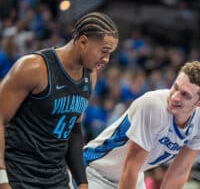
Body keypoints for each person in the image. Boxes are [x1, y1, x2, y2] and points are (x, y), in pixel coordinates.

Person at [0, 12, 119, 189]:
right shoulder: (34, 67)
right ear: (83, 42)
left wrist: (82, 182)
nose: (107, 59)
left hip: (55, 177)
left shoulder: (90, 77)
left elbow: (74, 130)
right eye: (104, 51)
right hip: (18, 173)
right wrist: (2, 179)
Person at [83, 61, 200, 189]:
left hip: (134, 177)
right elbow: (131, 166)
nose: (174, 97)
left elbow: (180, 171)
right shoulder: (154, 105)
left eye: (185, 95)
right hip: (95, 171)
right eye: (175, 87)